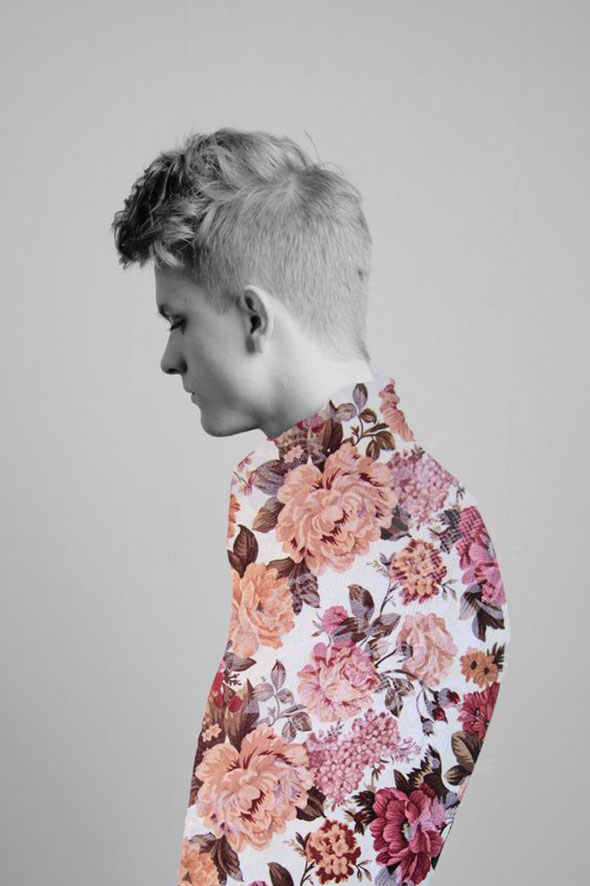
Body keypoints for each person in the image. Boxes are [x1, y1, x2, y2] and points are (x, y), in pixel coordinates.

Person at [111, 127, 511, 886]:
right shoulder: (437, 519)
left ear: (253, 318)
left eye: (178, 319)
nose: (169, 358)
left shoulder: (373, 542)